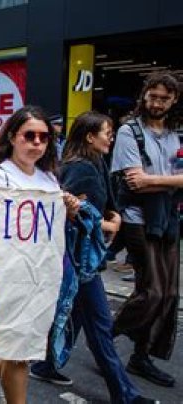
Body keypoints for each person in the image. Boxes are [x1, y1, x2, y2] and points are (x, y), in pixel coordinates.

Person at [29, 111, 158, 404]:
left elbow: (105, 202)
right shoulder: (80, 168)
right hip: (79, 260)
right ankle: (125, 394)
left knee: (76, 315)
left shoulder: (96, 162)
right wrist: (107, 225)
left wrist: (114, 216)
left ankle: (45, 365)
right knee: (99, 326)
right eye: (107, 133)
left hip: (84, 257)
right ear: (90, 137)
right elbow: (66, 213)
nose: (111, 138)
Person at [0, 105, 79, 404]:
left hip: (42, 276)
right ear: (12, 137)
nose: (36, 142)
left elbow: (51, 227)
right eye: (29, 135)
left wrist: (68, 210)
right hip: (9, 278)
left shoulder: (48, 179)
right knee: (20, 350)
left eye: (43, 137)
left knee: (27, 344)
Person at [111, 71, 181, 388]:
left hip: (169, 219)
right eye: (153, 96)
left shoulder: (177, 133)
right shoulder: (130, 131)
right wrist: (173, 182)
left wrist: (153, 180)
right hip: (137, 218)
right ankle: (106, 334)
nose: (157, 103)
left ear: (174, 99)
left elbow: (145, 180)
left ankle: (141, 356)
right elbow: (134, 182)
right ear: (144, 95)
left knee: (169, 294)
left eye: (164, 98)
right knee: (151, 291)